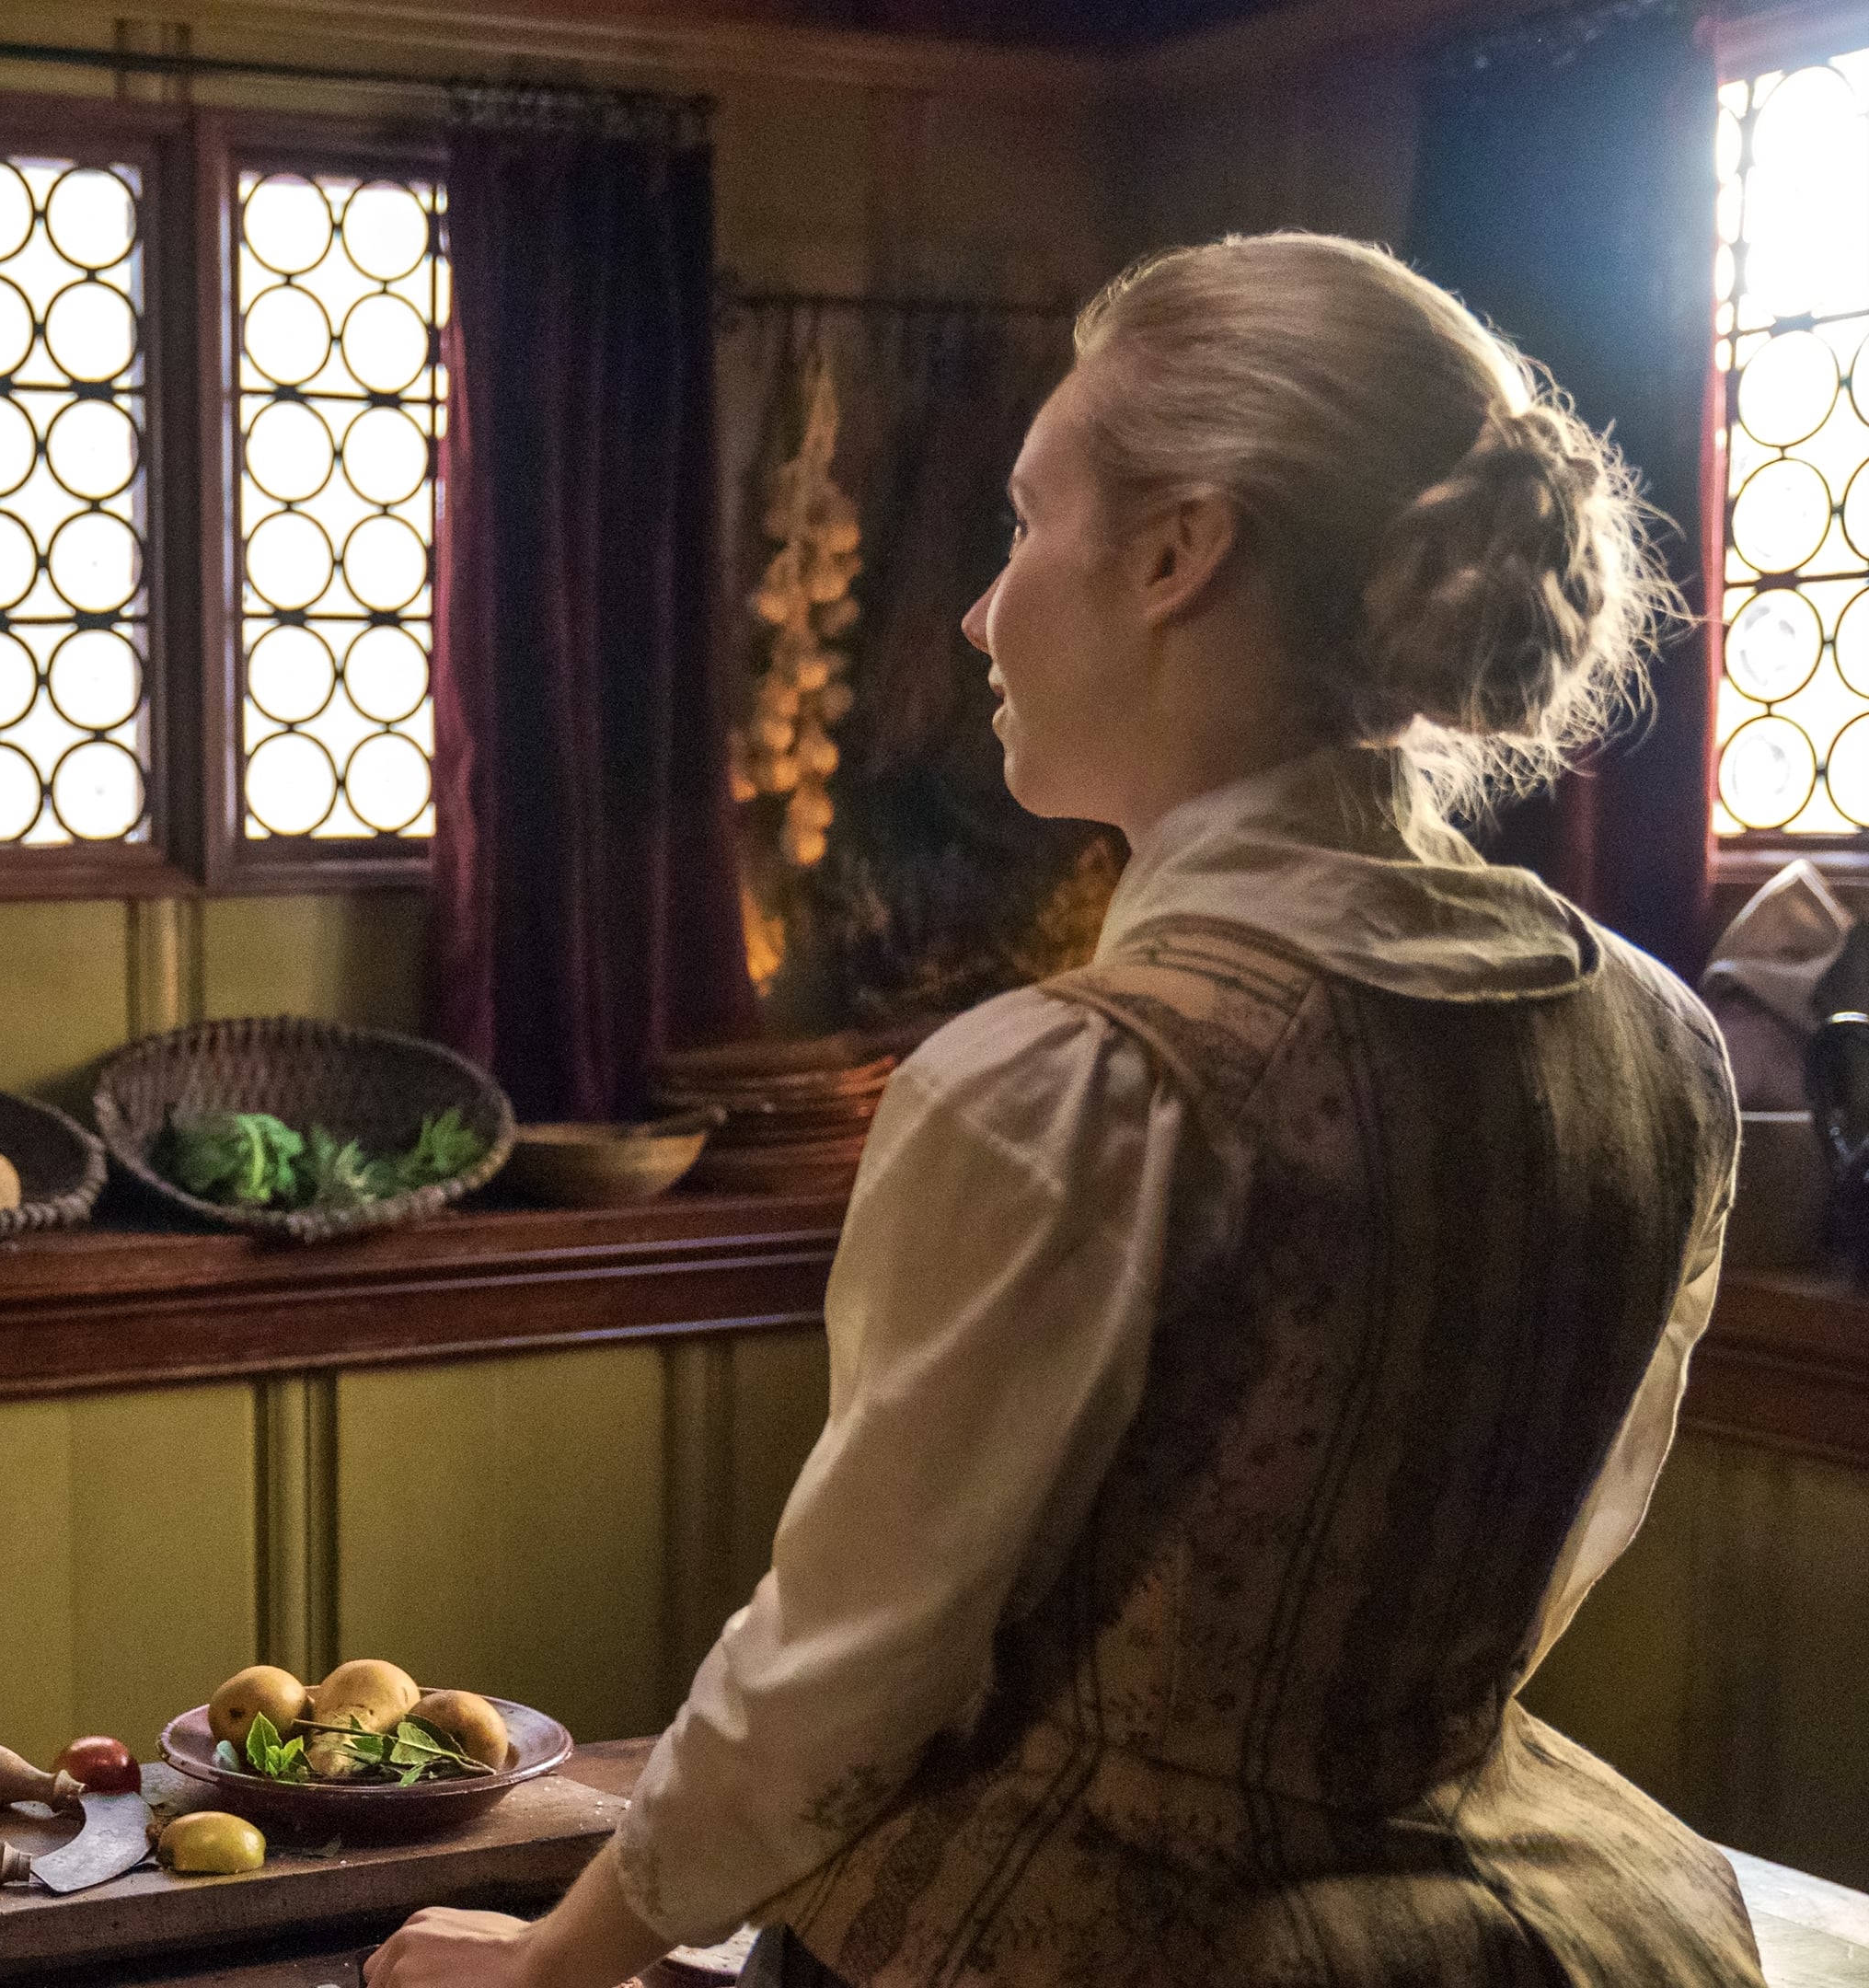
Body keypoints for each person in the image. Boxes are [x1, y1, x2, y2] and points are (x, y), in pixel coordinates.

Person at [369, 233, 1759, 1987]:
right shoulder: (1658, 1040)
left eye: (1026, 524)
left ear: (1177, 555)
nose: (978, 611)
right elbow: (1536, 1557)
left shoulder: (1079, 1082)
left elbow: (846, 1671)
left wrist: (552, 1969)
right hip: (1547, 1933)